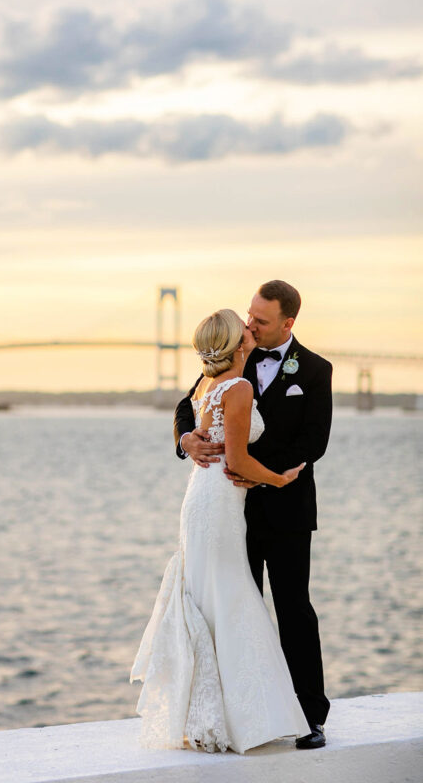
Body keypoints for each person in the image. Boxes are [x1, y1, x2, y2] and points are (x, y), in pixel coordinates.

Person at [131, 308, 310, 753]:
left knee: (214, 596)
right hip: (220, 500)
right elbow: (237, 462)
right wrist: (279, 478)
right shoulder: (239, 386)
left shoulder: (210, 383)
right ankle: (243, 717)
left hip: (202, 499)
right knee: (231, 595)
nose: (251, 328)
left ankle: (211, 714)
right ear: (236, 343)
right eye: (244, 326)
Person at [174, 280, 331, 751]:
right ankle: (234, 713)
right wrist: (186, 439)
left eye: (261, 321)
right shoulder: (229, 360)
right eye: (249, 315)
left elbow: (313, 443)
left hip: (285, 512)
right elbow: (189, 404)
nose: (250, 325)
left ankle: (309, 715)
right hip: (227, 512)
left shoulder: (317, 370)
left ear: (289, 322)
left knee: (292, 610)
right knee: (234, 607)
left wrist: (260, 472)